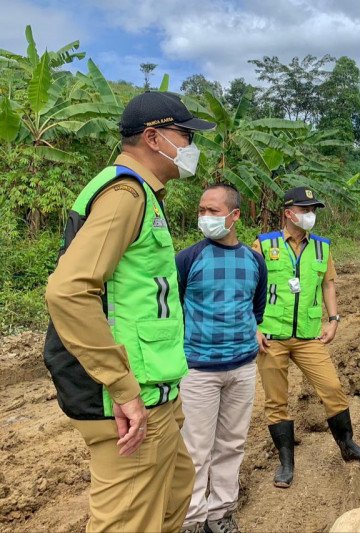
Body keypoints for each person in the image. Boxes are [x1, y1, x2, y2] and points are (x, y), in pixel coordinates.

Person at [43, 91, 215, 532]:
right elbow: (68, 291)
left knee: (176, 491)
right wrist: (122, 387)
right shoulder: (125, 194)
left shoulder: (142, 194)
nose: (193, 147)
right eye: (186, 135)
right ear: (154, 137)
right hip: (128, 402)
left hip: (155, 391)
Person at [251, 186, 360, 489]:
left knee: (332, 387)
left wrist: (333, 320)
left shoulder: (322, 247)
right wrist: (252, 326)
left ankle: (348, 446)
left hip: (309, 336)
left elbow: (328, 285)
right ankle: (285, 463)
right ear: (288, 212)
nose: (310, 215)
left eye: (313, 210)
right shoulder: (263, 245)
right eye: (305, 209)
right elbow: (249, 287)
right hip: (272, 335)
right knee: (276, 399)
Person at [176, 184, 267, 533]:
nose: (205, 217)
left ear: (234, 215)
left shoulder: (254, 260)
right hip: (198, 369)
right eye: (202, 210)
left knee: (232, 443)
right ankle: (192, 519)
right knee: (195, 449)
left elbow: (255, 308)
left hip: (243, 366)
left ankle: (221, 513)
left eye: (213, 211)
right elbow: (174, 309)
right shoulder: (188, 259)